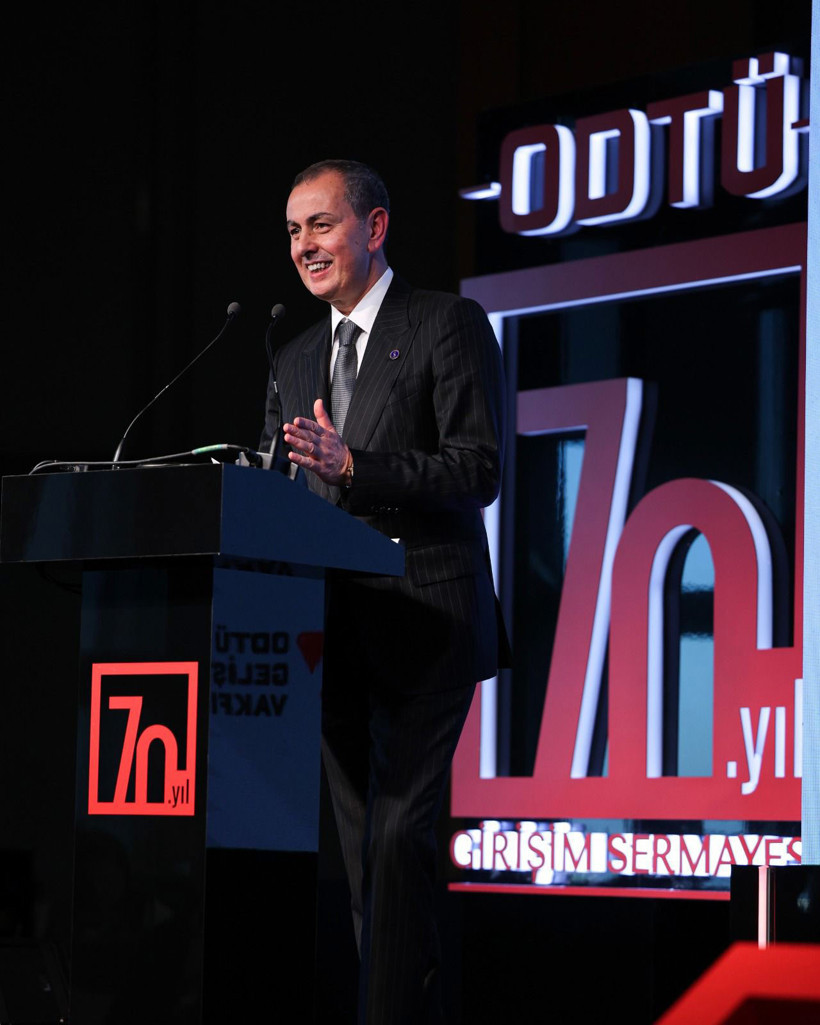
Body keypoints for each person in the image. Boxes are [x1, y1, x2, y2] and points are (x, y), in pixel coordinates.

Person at [259, 159, 506, 1025]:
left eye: (321, 224)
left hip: (427, 619)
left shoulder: (445, 324)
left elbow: (477, 468)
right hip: (333, 631)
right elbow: (279, 487)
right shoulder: (294, 357)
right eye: (294, 231)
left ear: (375, 226)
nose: (304, 245)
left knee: (399, 836)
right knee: (368, 856)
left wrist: (357, 466)